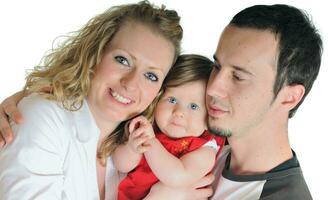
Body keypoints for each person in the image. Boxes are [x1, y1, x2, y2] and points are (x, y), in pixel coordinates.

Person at [0, 3, 323, 200]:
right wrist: (37, 100)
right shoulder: (206, 142)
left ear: (290, 95)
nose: (213, 88)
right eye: (217, 66)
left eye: (238, 76)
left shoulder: (280, 197)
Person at [0, 1, 184, 199]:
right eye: (123, 60)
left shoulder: (140, 151)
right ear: (95, 53)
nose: (130, 84)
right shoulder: (43, 117)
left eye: (151, 76)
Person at [113, 54, 225, 200]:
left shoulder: (205, 149)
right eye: (172, 100)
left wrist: (151, 142)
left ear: (209, 116)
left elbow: (177, 177)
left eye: (193, 106)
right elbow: (121, 165)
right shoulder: (149, 128)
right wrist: (132, 149)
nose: (179, 112)